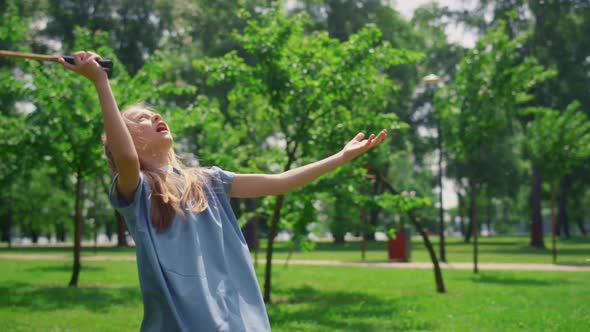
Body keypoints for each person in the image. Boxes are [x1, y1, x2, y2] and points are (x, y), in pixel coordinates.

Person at [60, 51, 387, 332]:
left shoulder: (208, 181)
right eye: (141, 120)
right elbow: (127, 157)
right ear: (127, 139)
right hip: (180, 321)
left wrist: (340, 157)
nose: (155, 116)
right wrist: (101, 82)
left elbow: (281, 181)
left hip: (230, 318)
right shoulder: (138, 188)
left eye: (153, 113)